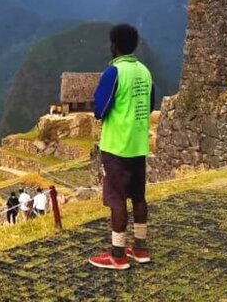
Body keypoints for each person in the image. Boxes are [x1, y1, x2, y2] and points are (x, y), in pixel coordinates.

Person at [89, 24, 155, 271]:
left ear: (114, 45)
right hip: (139, 145)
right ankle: (140, 248)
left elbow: (99, 110)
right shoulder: (145, 72)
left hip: (117, 146)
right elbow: (148, 106)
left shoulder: (114, 72)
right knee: (138, 197)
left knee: (117, 200)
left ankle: (118, 254)